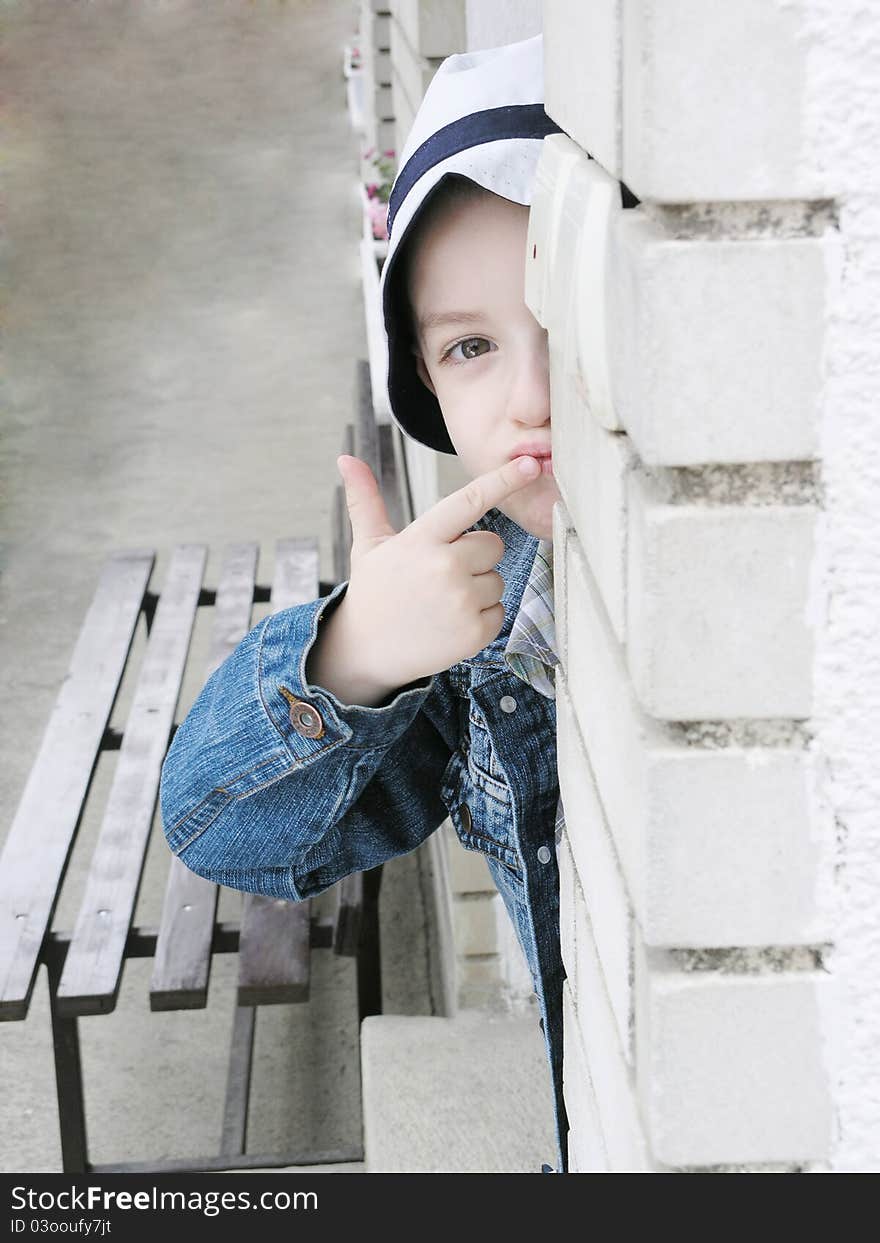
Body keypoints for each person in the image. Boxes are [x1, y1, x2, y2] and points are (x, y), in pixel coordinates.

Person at [159, 32, 570, 1173]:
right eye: (472, 346)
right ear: (429, 385)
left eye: (570, 314)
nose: (530, 399)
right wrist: (354, 660)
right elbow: (214, 827)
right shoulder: (485, 609)